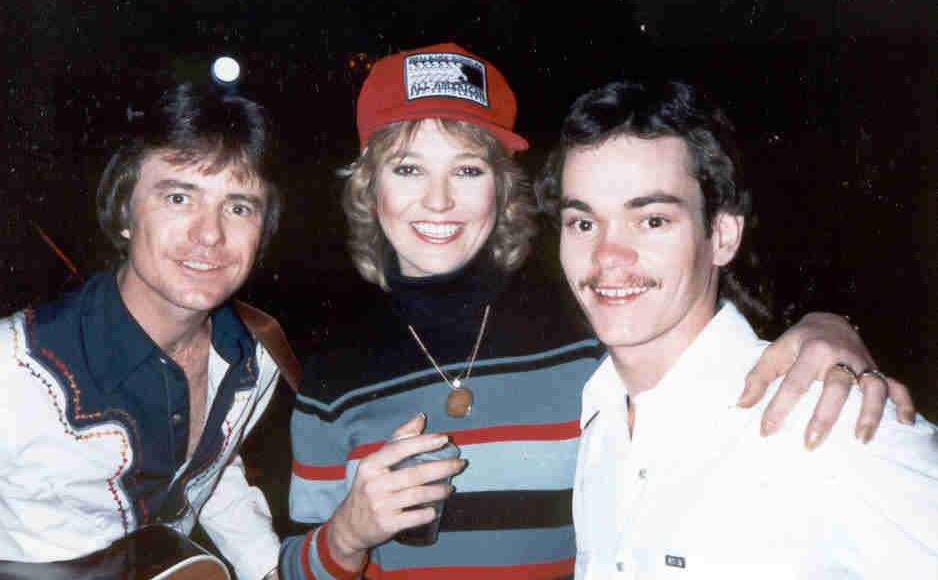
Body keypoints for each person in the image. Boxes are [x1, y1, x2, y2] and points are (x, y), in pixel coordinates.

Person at [279, 43, 912, 580]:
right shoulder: (332, 374)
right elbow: (291, 562)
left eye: (467, 169)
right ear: (370, 187)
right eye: (408, 168)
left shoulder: (592, 317)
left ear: (502, 187)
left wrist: (828, 329)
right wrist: (346, 537)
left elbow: (701, 326)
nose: (439, 200)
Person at [534, 79, 938, 578]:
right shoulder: (598, 418)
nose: (606, 257)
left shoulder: (829, 421)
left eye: (652, 221)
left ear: (723, 235)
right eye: (583, 223)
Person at [0, 84, 285, 580]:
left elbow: (208, 472)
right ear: (124, 212)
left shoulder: (254, 361)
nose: (210, 234)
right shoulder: (16, 370)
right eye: (179, 197)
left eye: (238, 207)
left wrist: (267, 567)